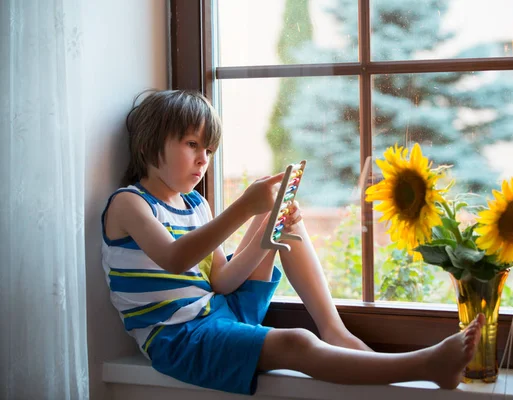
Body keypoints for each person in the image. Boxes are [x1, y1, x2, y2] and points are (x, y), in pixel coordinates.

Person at [101, 89, 485, 395]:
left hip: (217, 311)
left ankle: (335, 330)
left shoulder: (194, 203)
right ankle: (425, 365)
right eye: (191, 144)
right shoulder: (128, 204)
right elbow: (173, 258)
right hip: (180, 339)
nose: (203, 159)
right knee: (298, 343)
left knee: (280, 220)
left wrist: (267, 232)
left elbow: (222, 281)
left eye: (209, 150)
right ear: (151, 144)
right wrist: (243, 207)